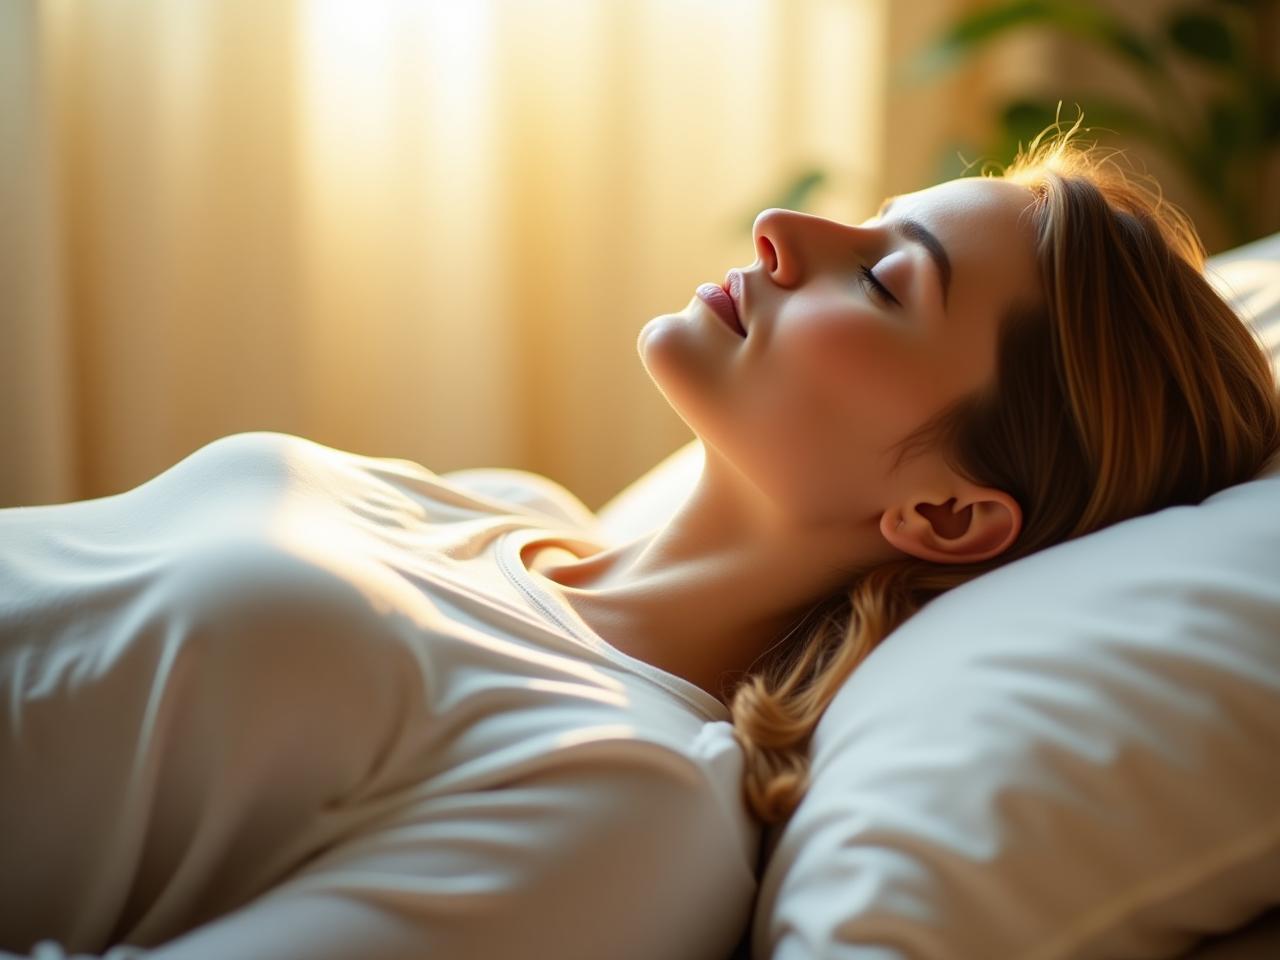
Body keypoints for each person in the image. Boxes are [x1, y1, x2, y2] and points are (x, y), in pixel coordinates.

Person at [2, 116, 1277, 959]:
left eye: (885, 280)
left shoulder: (624, 807)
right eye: (869, 221)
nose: (790, 235)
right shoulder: (501, 511)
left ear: (943, 514)